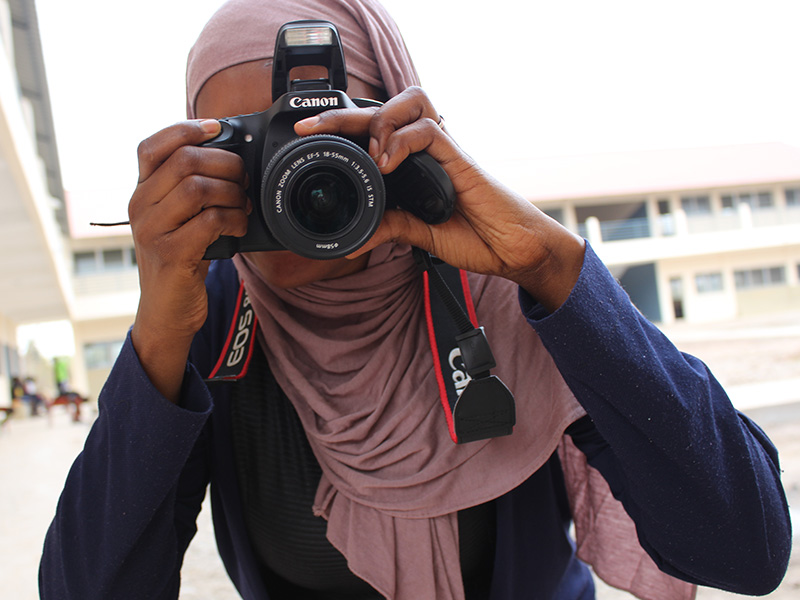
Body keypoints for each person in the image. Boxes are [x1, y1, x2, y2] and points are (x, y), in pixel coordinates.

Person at [39, 1, 791, 599]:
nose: (294, 184)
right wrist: (159, 335)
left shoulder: (506, 294)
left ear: (400, 134)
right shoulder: (214, 322)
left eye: (320, 137)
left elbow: (746, 549)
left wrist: (552, 267)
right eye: (255, 151)